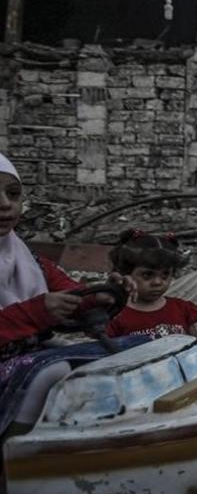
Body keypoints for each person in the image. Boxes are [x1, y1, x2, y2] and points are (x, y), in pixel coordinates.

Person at [0, 154, 144, 441]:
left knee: (140, 348)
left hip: (27, 356)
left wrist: (102, 295)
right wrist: (38, 311)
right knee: (51, 371)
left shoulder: (28, 259)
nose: (5, 204)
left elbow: (71, 293)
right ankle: (14, 458)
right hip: (19, 363)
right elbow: (39, 310)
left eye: (13, 194)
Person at [106, 230, 197, 339]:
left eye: (165, 274)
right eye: (147, 275)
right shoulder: (116, 315)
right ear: (126, 274)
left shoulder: (181, 309)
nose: (158, 282)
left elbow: (196, 347)